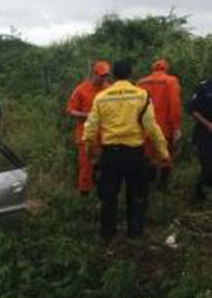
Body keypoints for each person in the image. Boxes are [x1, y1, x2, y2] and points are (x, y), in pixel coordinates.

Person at [83, 60, 170, 241]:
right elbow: (152, 128)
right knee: (136, 196)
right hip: (134, 155)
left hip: (110, 155)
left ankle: (107, 235)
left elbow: (90, 128)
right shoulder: (141, 95)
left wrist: (90, 150)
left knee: (108, 198)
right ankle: (134, 233)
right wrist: (163, 152)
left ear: (113, 75)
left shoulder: (102, 97)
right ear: (131, 74)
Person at [66, 61, 112, 195]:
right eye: (102, 75)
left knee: (105, 166)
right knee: (85, 165)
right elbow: (70, 110)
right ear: (94, 74)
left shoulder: (109, 89)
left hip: (105, 135)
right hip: (85, 134)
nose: (104, 78)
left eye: (106, 75)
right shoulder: (81, 89)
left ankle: (103, 192)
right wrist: (87, 115)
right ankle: (84, 192)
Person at [138, 59, 182, 188]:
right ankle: (162, 186)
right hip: (164, 127)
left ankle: (146, 187)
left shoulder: (141, 82)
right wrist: (176, 127)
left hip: (145, 126)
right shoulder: (171, 81)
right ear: (166, 69)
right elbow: (175, 105)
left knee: (147, 156)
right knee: (166, 157)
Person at [189, 79, 212, 201]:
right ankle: (199, 195)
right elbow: (193, 110)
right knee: (208, 166)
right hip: (205, 134)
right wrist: (208, 124)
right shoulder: (204, 87)